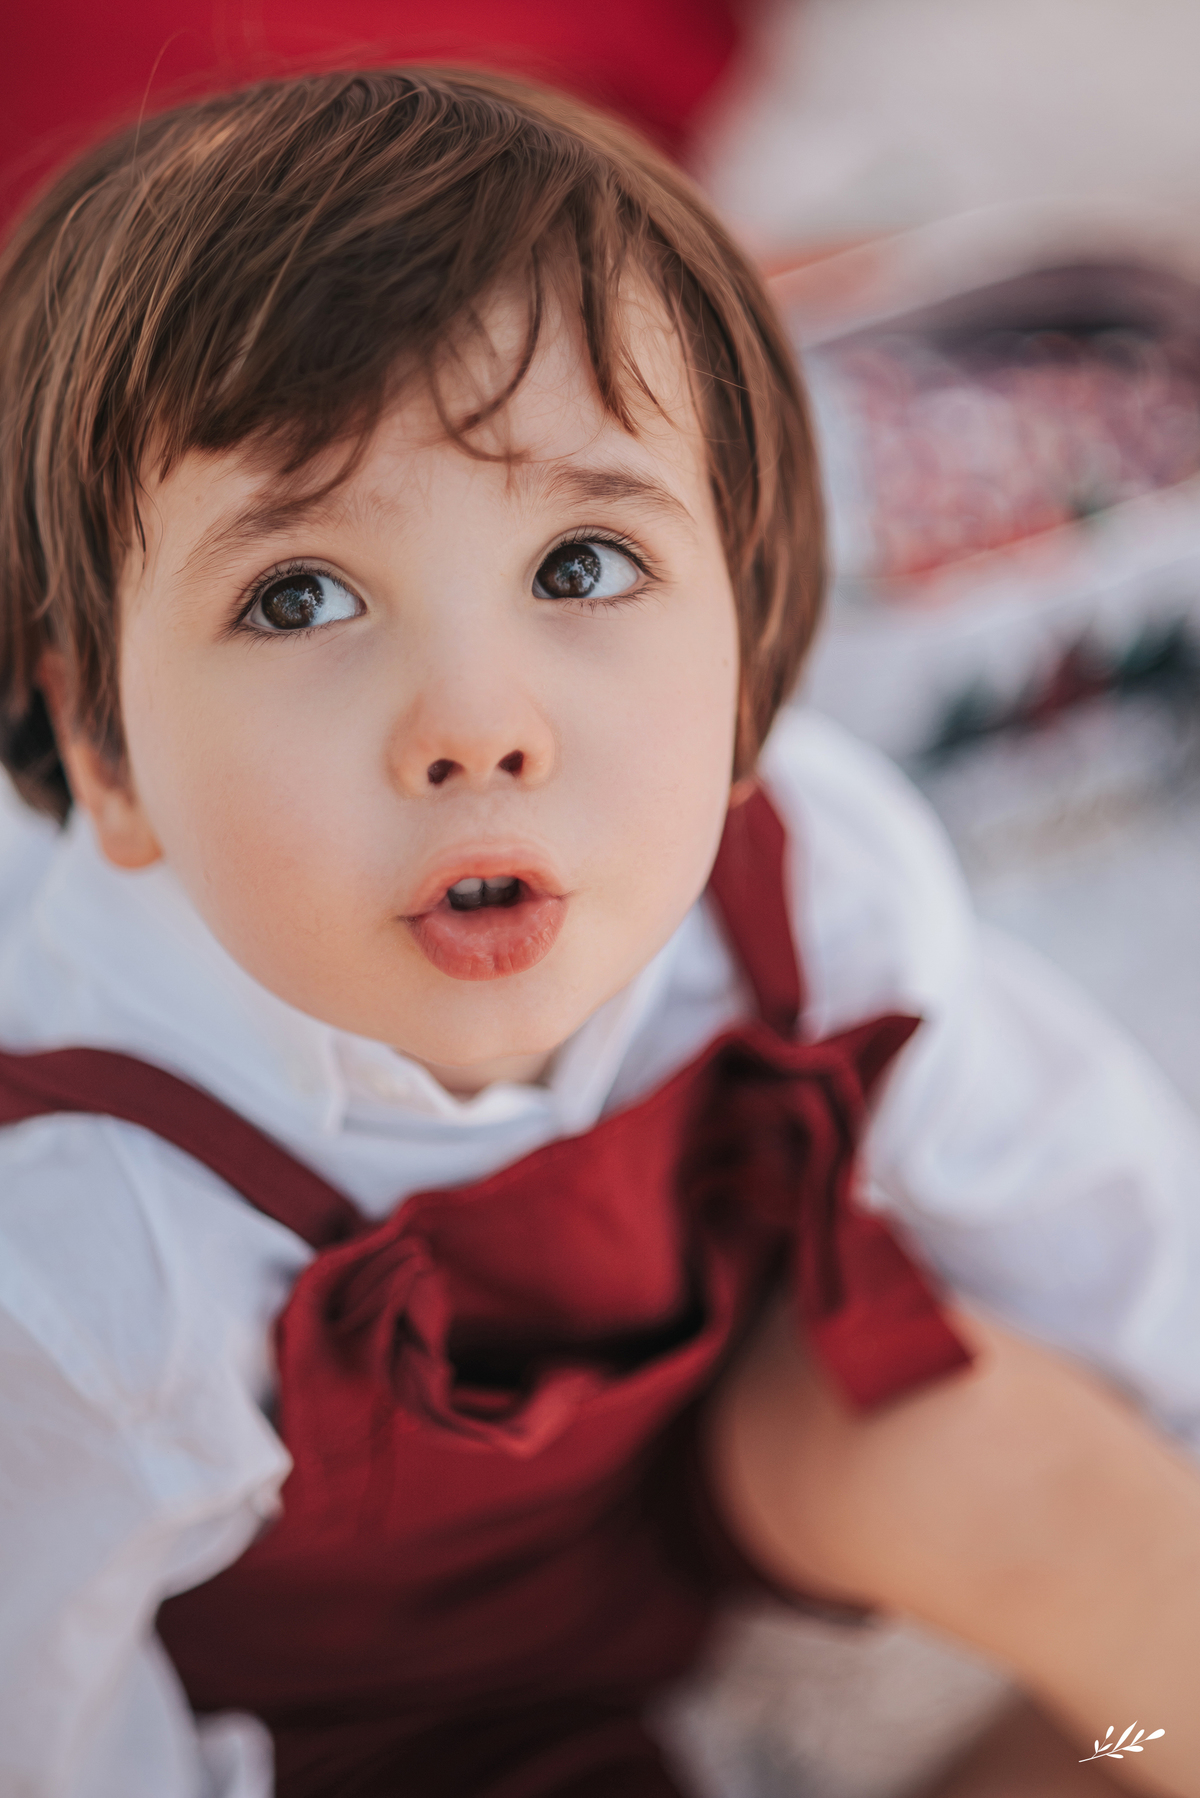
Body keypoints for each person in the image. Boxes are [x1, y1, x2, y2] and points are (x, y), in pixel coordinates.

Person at [0, 66, 1197, 1798]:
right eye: (301, 595)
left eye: (580, 567)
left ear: (749, 629)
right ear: (106, 754)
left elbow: (1071, 1176)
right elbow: (49, 1696)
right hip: (313, 1723)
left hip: (689, 1471)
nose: (479, 724)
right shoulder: (86, 1226)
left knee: (1011, 1466)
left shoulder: (799, 868)